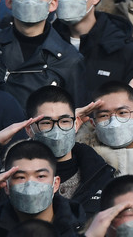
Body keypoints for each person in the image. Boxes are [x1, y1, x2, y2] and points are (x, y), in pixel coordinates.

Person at [24, 86, 117, 215]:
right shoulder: (17, 181)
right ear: (29, 129)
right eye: (46, 123)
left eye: (65, 121)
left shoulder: (102, 176)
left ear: (76, 124)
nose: (57, 130)